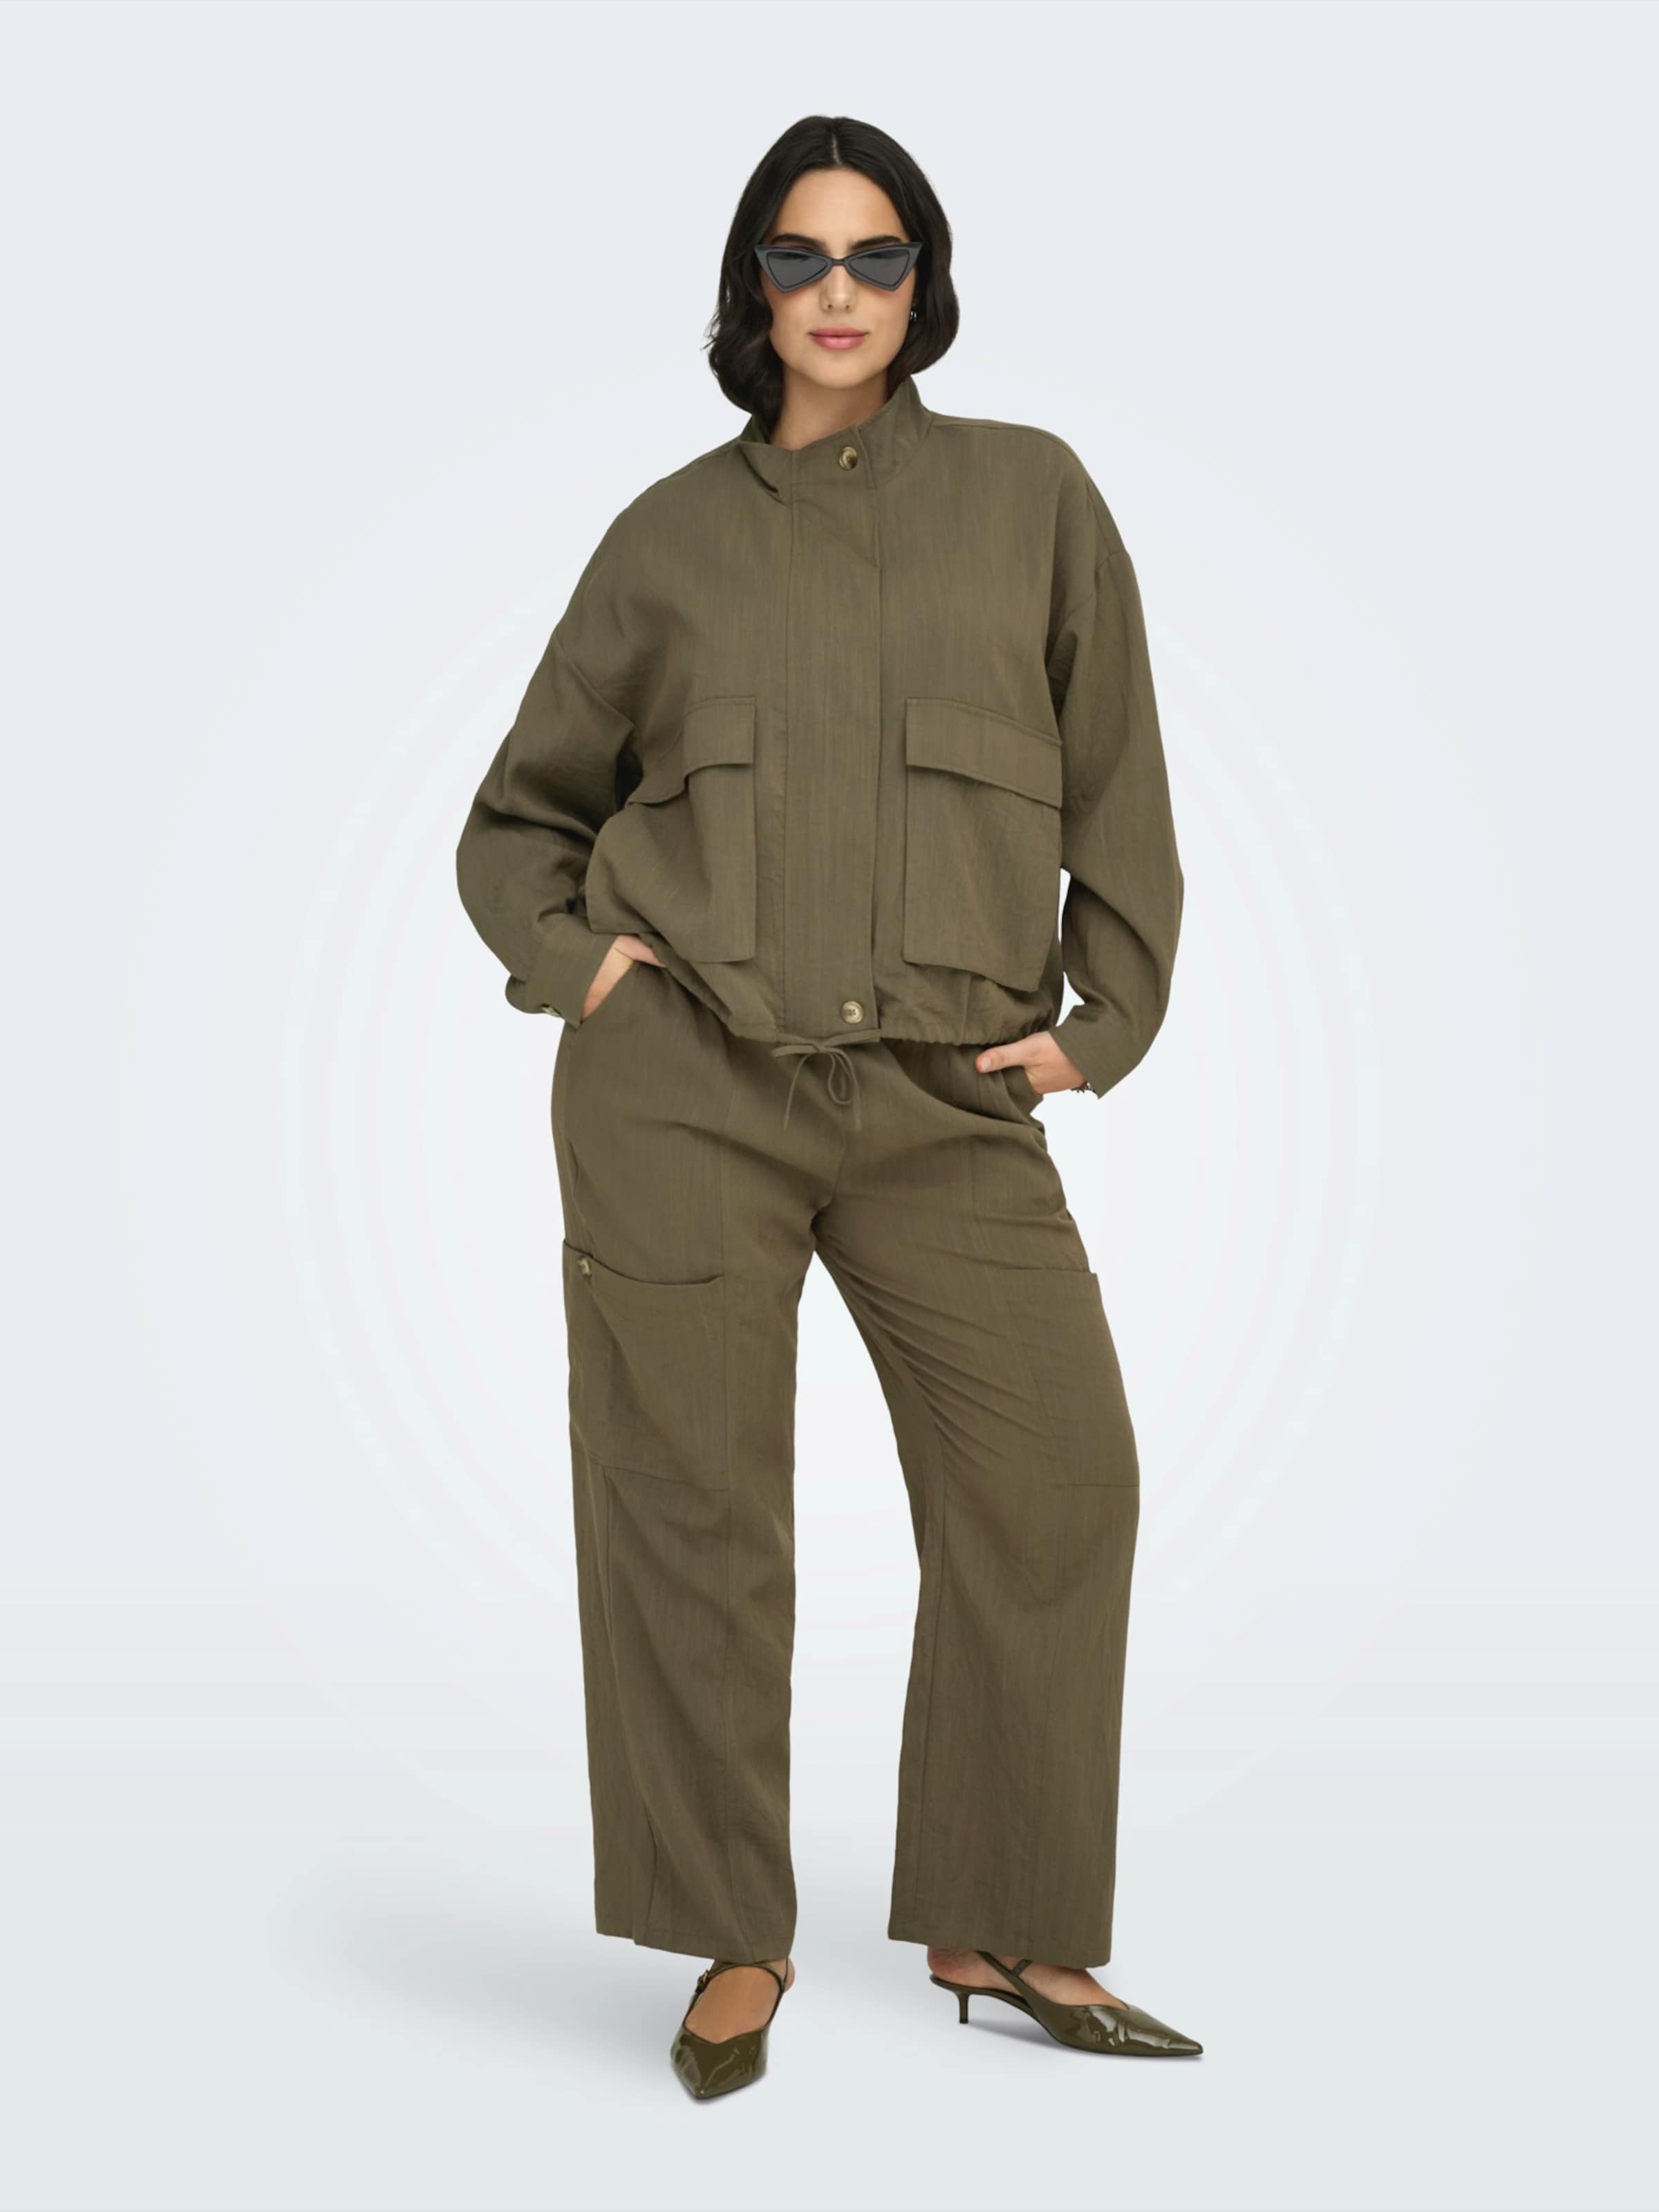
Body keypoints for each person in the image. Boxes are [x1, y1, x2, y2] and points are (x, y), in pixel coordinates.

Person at [454, 113, 1201, 2099]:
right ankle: (732, 1936)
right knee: (694, 1513)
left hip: (947, 1099)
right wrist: (584, 968)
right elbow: (519, 821)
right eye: (802, 258)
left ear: (924, 282)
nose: (841, 293)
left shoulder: (1033, 498)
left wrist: (1108, 1015)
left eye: (878, 257)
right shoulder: (667, 541)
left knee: (1061, 1481)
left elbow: (1119, 766)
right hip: (685, 1087)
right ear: (755, 288)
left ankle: (999, 1912)